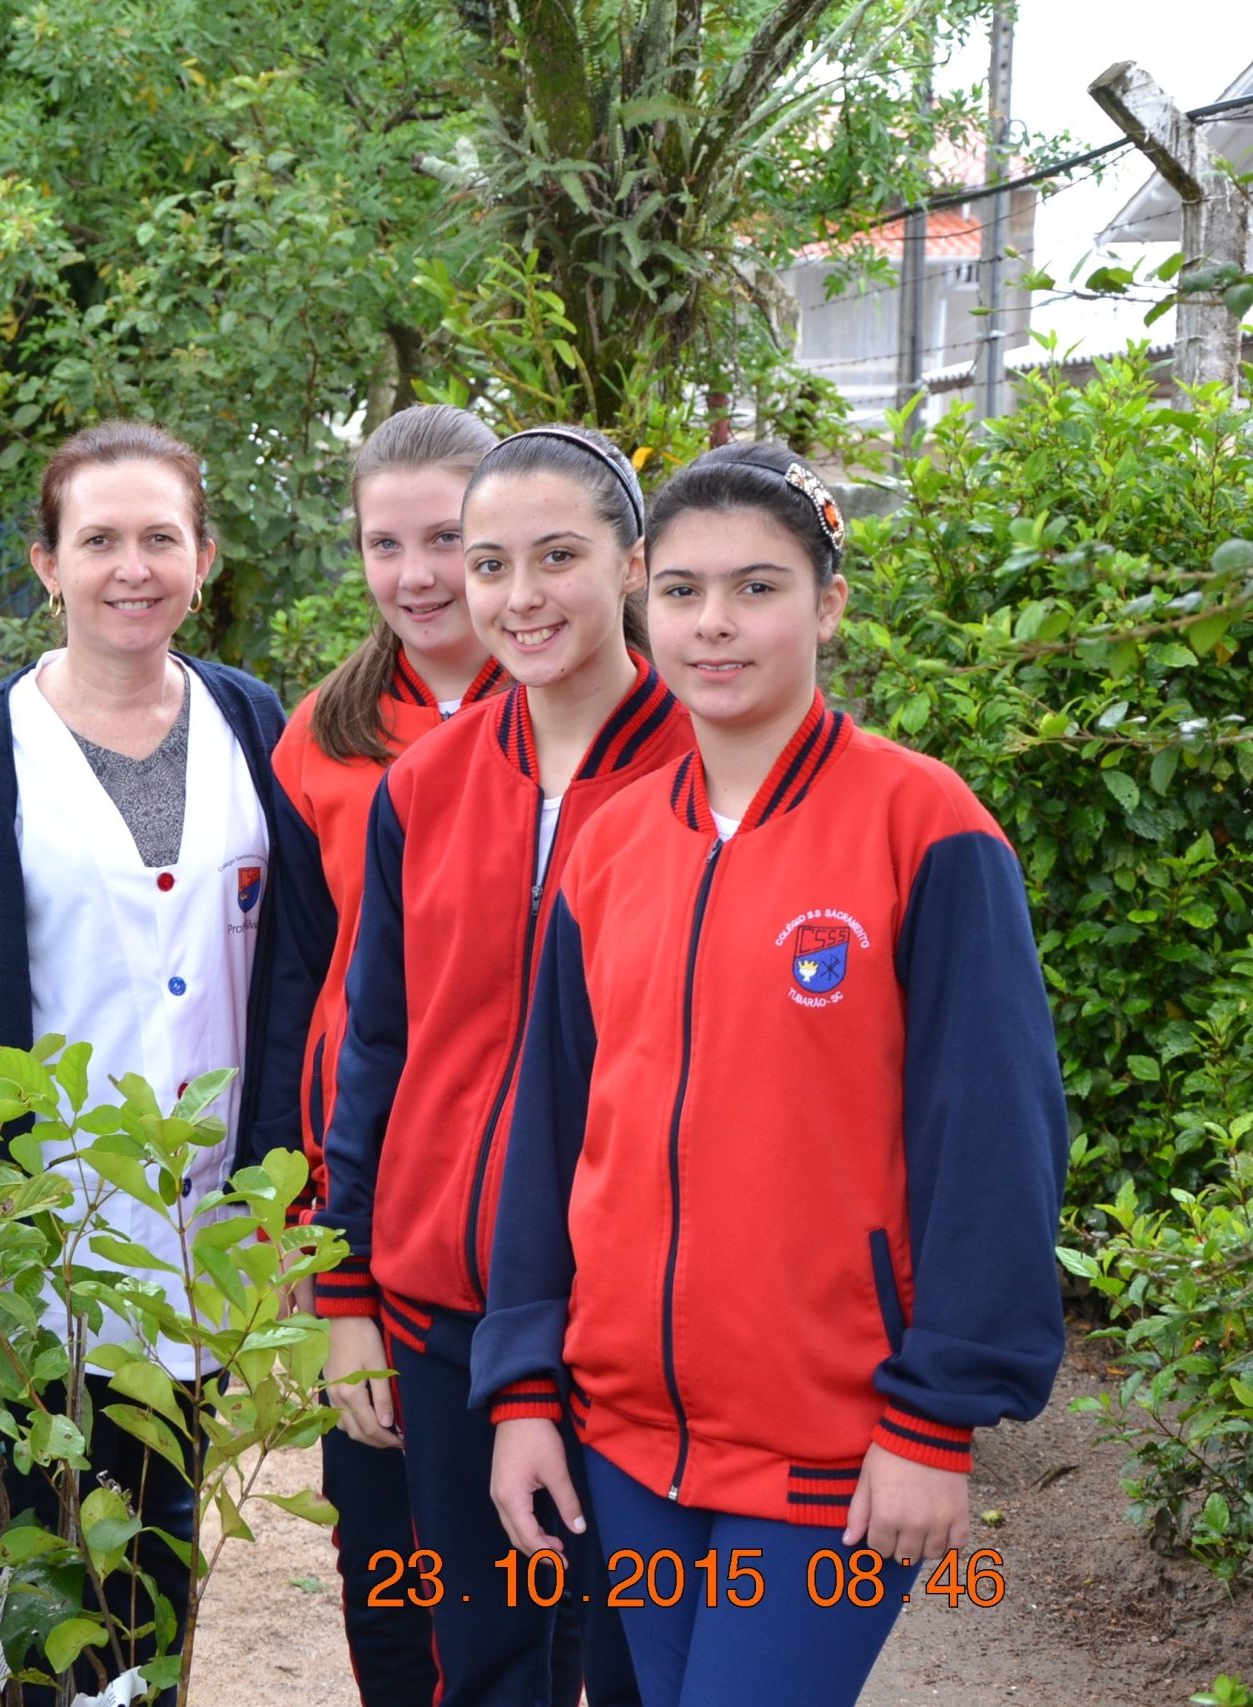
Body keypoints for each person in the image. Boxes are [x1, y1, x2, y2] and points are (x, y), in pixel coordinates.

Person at [474, 442, 1069, 1707]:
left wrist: (933, 1419)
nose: (715, 625)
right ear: (641, 598)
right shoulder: (612, 842)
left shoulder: (925, 828)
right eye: (682, 591)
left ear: (828, 602)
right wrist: (525, 1385)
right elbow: (549, 1133)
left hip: (834, 1453)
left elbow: (997, 1147)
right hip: (626, 1441)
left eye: (758, 587)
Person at [0, 420, 332, 1706]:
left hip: (205, 1214)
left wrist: (283, 1191)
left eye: (160, 537)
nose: (130, 567)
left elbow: (301, 971)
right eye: (98, 540)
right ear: (47, 563)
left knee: (161, 1539)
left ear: (202, 557)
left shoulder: (255, 723)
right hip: (46, 1225)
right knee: (49, 1553)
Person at [311, 424, 687, 1707]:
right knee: (480, 1659)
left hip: (634, 1318)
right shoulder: (425, 780)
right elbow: (376, 1049)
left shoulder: (708, 767)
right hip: (441, 1308)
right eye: (489, 565)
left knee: (632, 1660)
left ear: (633, 565)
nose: (518, 598)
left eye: (558, 557)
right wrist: (345, 1288)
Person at [268, 404, 505, 1707]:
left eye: (450, 538)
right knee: (389, 1546)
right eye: (384, 542)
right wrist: (316, 1235)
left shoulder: (611, 724)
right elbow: (305, 992)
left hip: (544, 1211)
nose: (418, 574)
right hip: (376, 1199)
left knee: (539, 1566)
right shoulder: (325, 736)